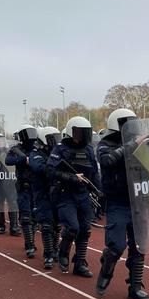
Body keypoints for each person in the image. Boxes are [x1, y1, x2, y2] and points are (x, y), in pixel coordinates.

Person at [96, 108, 149, 299]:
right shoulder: (105, 144)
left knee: (139, 246)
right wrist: (133, 144)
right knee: (116, 246)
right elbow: (107, 160)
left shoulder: (140, 144)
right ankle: (107, 268)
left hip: (138, 201)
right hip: (117, 202)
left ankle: (135, 286)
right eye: (126, 123)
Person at [46, 116, 100, 276]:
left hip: (83, 194)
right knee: (72, 228)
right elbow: (50, 171)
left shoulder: (89, 149)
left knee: (85, 229)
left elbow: (94, 173)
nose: (83, 135)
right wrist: (72, 177)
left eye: (85, 132)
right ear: (72, 132)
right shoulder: (60, 149)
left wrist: (100, 191)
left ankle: (80, 263)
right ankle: (63, 252)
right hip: (65, 194)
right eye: (80, 132)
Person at [29, 127, 62, 269]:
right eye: (52, 137)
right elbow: (39, 168)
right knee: (47, 225)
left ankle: (55, 250)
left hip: (57, 193)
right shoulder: (36, 153)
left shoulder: (58, 152)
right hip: (43, 194)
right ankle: (48, 254)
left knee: (57, 225)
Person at [5, 125, 37, 258]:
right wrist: (23, 160)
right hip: (23, 187)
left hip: (36, 188)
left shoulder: (37, 148)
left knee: (35, 217)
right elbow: (8, 160)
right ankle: (29, 245)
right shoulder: (16, 149)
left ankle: (31, 241)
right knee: (25, 217)